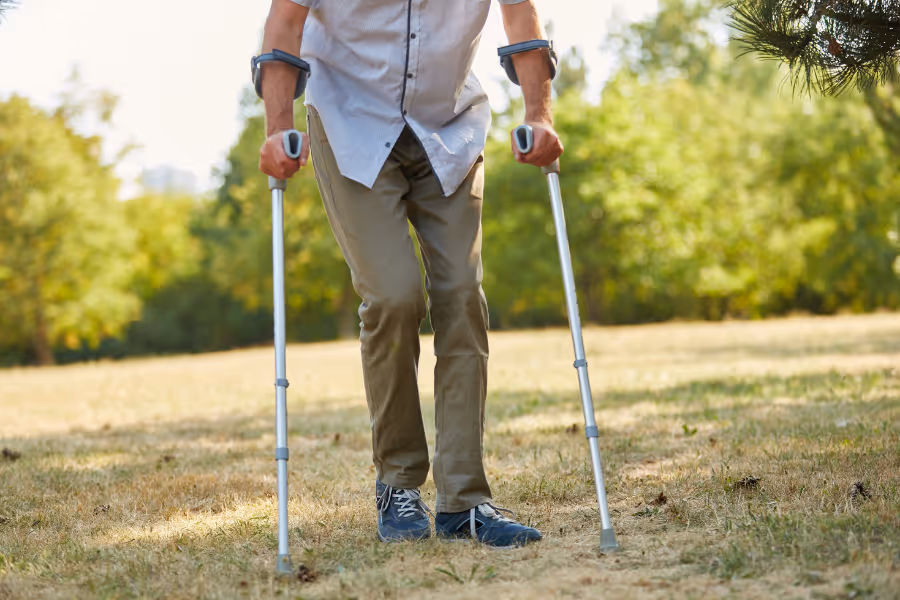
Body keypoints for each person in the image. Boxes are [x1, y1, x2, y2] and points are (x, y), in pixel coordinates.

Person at [256, 0, 563, 548]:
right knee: (394, 295)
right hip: (350, 124)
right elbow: (285, 24)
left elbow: (520, 15)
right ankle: (397, 483)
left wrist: (538, 114)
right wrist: (276, 128)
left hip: (449, 126)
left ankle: (464, 501)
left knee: (463, 295)